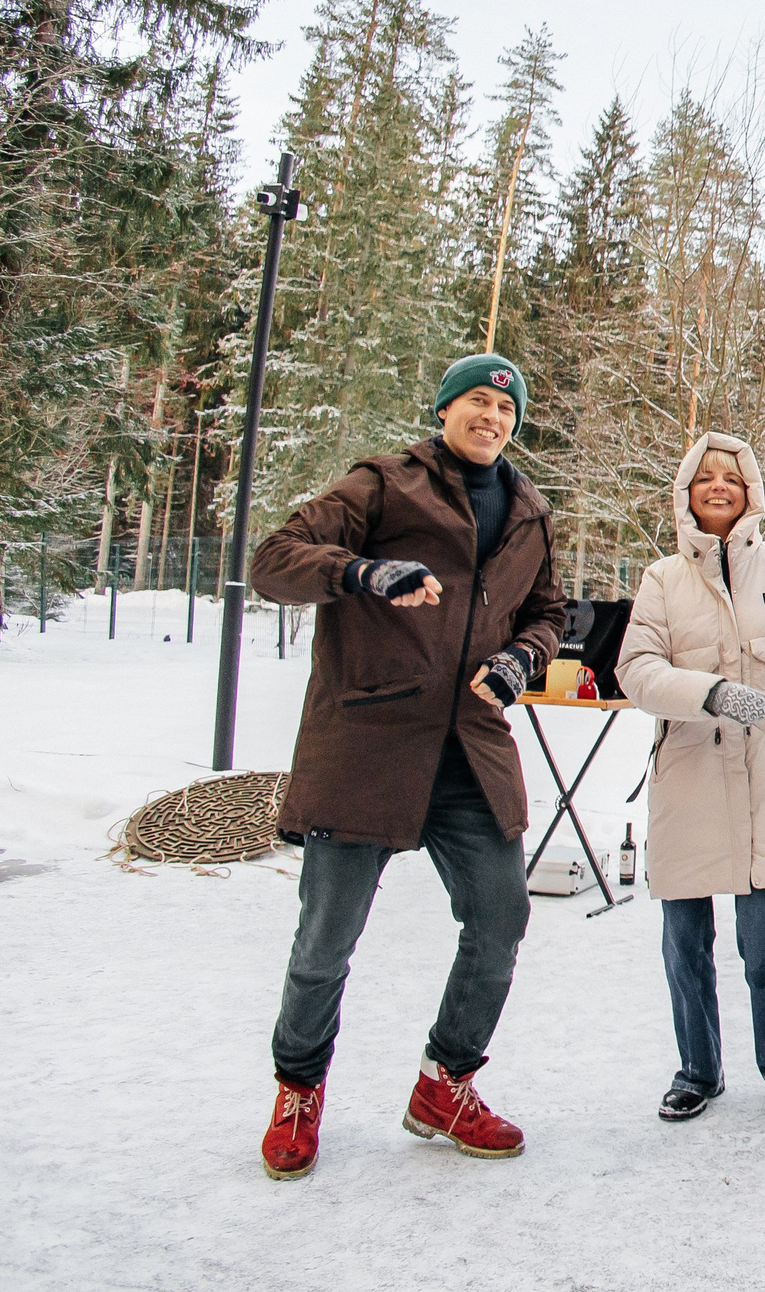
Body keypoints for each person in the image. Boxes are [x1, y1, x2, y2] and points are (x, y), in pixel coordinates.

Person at [247, 353, 568, 1179]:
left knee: (500, 918)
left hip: (469, 743)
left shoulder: (530, 509)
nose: (491, 418)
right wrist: (359, 571)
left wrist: (520, 662)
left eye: (505, 411)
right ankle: (298, 1089)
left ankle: (446, 1081)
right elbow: (274, 557)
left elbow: (548, 613)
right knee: (326, 938)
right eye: (475, 403)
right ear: (444, 410)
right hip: (370, 740)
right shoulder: (386, 483)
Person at [617, 432, 765, 1126]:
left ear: (752, 491)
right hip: (690, 781)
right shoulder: (662, 578)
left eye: (733, 476)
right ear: (685, 492)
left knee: (763, 939)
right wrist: (711, 693)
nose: (719, 486)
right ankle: (698, 1069)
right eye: (705, 476)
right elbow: (637, 669)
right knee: (684, 940)